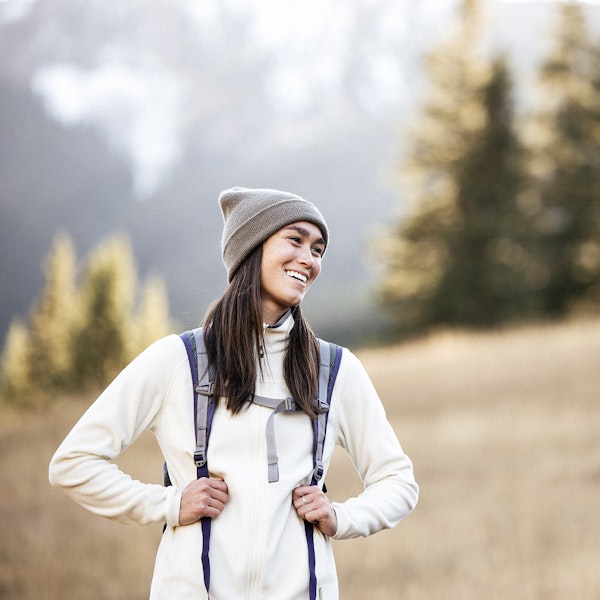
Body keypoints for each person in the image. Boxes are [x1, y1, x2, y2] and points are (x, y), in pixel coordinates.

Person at [49, 187, 419, 600]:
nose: (308, 260)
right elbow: (73, 463)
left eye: (317, 250)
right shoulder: (178, 360)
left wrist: (340, 517)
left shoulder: (334, 369)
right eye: (295, 240)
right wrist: (169, 505)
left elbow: (399, 482)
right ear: (251, 249)